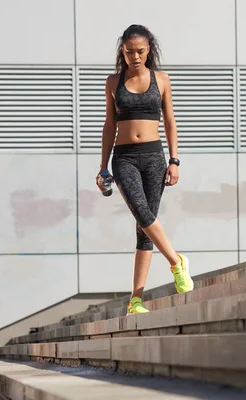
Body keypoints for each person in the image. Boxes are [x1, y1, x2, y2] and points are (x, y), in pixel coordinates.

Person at [95, 24, 193, 315]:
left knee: (143, 230)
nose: (134, 57)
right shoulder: (113, 82)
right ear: (122, 52)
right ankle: (176, 262)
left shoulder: (161, 79)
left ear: (149, 49)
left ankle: (135, 301)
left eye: (140, 51)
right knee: (142, 212)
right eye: (129, 52)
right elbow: (109, 125)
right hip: (124, 158)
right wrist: (102, 167)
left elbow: (170, 120)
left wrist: (174, 161)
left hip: (154, 158)